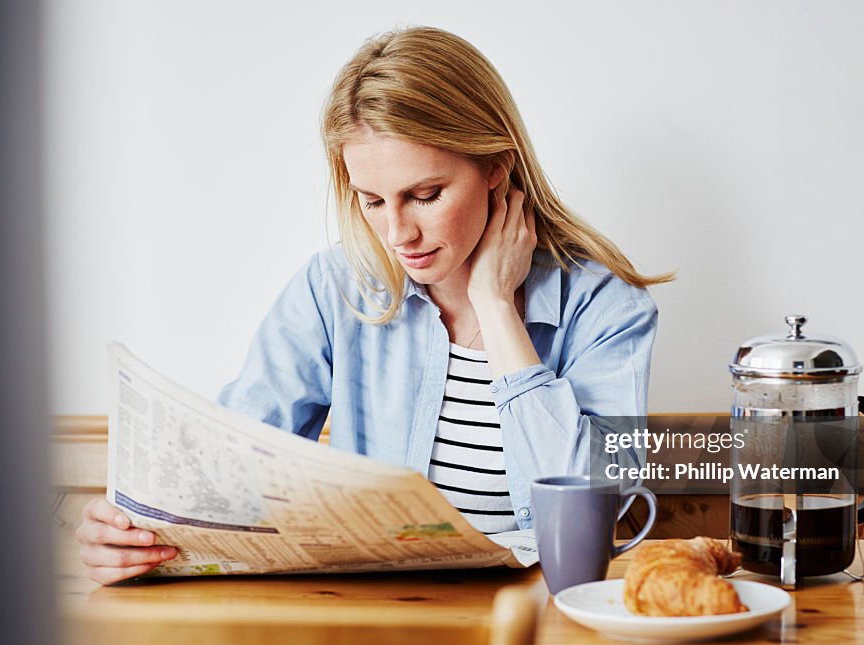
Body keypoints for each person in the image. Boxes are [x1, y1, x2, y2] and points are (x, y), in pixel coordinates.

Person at [76, 26, 672, 585]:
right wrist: (131, 535)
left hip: (540, 609)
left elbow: (602, 495)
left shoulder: (605, 306)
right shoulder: (334, 288)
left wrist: (495, 308)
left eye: (425, 195)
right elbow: (228, 470)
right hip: (371, 611)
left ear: (497, 166)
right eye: (371, 200)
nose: (398, 234)